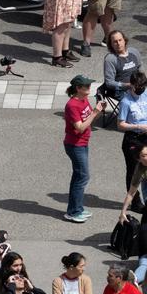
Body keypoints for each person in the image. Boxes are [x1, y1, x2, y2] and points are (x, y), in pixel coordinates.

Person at [62, 75, 103, 224]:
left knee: (79, 176)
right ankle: (73, 212)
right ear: (78, 88)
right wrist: (95, 113)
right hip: (75, 145)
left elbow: (88, 120)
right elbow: (79, 128)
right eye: (86, 86)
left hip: (83, 143)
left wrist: (97, 112)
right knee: (82, 177)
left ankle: (76, 208)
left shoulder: (84, 100)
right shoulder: (72, 105)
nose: (89, 88)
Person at [100, 30, 142, 100]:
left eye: (120, 40)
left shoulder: (134, 52)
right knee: (137, 102)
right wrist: (127, 85)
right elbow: (109, 82)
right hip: (121, 91)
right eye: (115, 42)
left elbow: (141, 71)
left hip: (138, 87)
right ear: (111, 44)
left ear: (124, 40)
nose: (118, 43)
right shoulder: (110, 59)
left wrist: (142, 82)